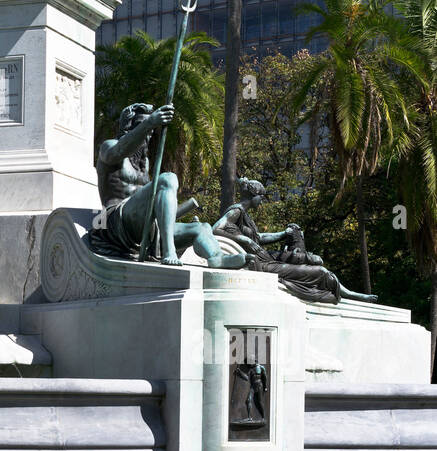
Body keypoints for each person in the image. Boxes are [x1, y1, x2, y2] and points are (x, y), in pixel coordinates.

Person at [91, 102, 246, 268]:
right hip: (116, 222)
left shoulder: (145, 162)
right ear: (127, 128)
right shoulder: (108, 147)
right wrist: (149, 122)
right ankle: (169, 252)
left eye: (150, 131)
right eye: (142, 126)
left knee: (201, 228)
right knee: (168, 179)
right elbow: (120, 151)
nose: (148, 134)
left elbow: (150, 204)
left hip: (144, 228)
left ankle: (217, 257)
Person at [212, 179, 376, 304]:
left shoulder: (245, 215)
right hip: (263, 265)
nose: (262, 201)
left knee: (297, 235)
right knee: (321, 272)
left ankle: (347, 291)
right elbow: (215, 229)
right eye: (261, 197)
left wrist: (284, 233)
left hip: (267, 258)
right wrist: (244, 239)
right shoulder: (236, 211)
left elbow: (260, 238)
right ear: (253, 196)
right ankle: (350, 294)